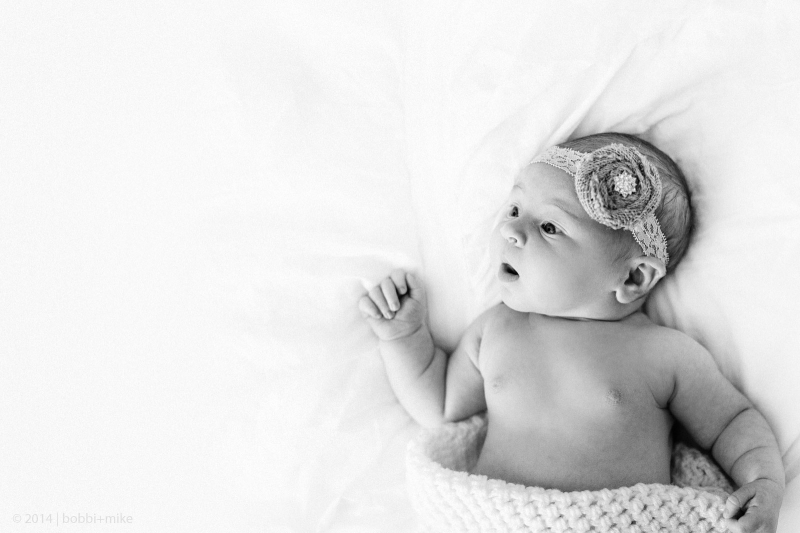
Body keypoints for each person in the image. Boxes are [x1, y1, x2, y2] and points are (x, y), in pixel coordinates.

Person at [358, 133, 785, 533]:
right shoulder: (497, 328)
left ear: (633, 277)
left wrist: (764, 480)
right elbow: (440, 405)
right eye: (514, 210)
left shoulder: (664, 354)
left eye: (550, 227)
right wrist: (403, 337)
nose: (510, 230)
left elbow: (731, 422)